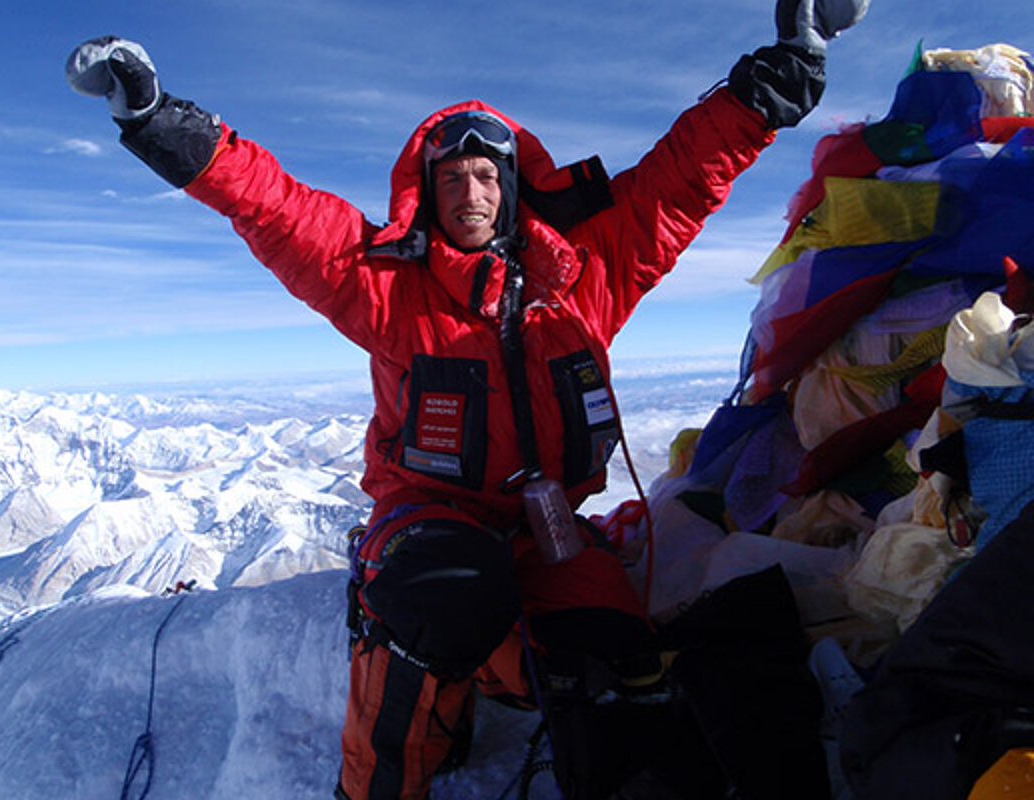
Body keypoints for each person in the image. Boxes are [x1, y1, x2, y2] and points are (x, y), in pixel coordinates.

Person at [68, 2, 868, 797]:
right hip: (430, 520)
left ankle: (486, 679)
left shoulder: (586, 277)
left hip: (544, 529)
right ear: (428, 192)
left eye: (487, 176)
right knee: (447, 600)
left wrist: (781, 69)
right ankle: (379, 778)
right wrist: (155, 117)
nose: (472, 193)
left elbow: (680, 184)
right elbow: (276, 207)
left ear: (514, 189)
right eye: (451, 178)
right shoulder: (385, 284)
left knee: (612, 659)